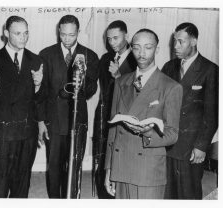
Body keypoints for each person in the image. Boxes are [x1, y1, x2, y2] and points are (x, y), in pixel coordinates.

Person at [104, 29, 183, 199]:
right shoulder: (120, 82)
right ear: (131, 48)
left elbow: (172, 134)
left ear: (157, 49)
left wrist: (147, 132)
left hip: (148, 170)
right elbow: (113, 131)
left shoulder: (171, 87)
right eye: (137, 47)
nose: (141, 53)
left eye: (148, 47)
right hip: (121, 165)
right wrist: (109, 169)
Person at [0, 16, 45, 198]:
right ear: (6, 34)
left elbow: (40, 99)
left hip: (27, 133)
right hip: (2, 135)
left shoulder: (36, 61)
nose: (23, 37)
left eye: (26, 33)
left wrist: (38, 86)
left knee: (22, 183)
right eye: (17, 33)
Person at [39, 14, 99, 198]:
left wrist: (82, 83)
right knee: (54, 166)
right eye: (63, 34)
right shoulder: (46, 54)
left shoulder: (89, 55)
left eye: (71, 35)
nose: (66, 39)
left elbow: (90, 91)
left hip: (77, 121)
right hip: (54, 121)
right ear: (59, 31)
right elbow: (41, 92)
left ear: (78, 32)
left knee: (74, 165)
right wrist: (41, 121)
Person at [162, 22, 218, 199]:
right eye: (174, 42)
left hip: (191, 145)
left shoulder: (210, 70)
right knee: (167, 191)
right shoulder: (169, 67)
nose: (176, 46)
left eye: (181, 42)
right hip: (168, 140)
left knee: (189, 192)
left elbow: (212, 113)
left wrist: (201, 146)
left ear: (193, 41)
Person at [93, 20, 137, 199]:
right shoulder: (105, 58)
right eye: (109, 38)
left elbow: (138, 92)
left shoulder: (137, 59)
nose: (112, 42)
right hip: (104, 115)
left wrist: (119, 76)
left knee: (121, 161)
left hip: (126, 117)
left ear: (126, 35)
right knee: (102, 159)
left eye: (116, 38)